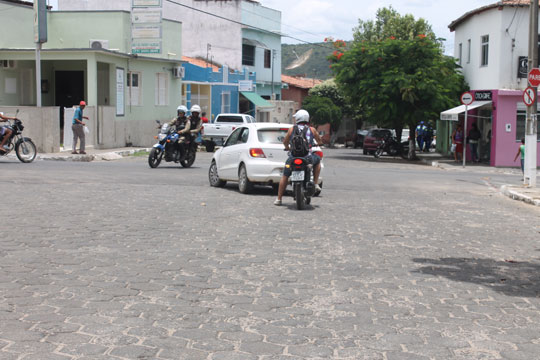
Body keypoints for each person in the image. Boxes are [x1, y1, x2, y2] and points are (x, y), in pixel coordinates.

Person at [274, 109, 323, 206]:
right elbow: (319, 140)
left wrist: (287, 148)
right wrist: (319, 144)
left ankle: (279, 199)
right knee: (317, 161)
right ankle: (316, 183)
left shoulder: (292, 129)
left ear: (297, 118)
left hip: (293, 157)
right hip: (307, 157)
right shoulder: (312, 130)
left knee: (285, 175)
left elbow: (285, 142)